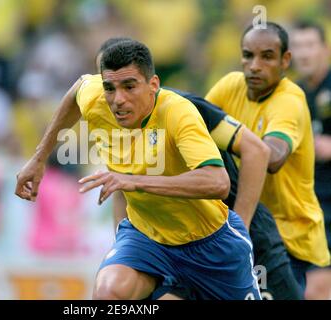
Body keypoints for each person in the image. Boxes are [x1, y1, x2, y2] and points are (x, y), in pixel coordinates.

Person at [15, 39, 261, 300]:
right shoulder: (97, 97)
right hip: (147, 238)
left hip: (211, 245)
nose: (118, 99)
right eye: (110, 88)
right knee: (109, 292)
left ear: (153, 84)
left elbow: (218, 182)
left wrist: (134, 181)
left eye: (130, 86)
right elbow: (77, 91)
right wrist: (39, 159)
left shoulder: (178, 112)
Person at [96, 37, 302, 299]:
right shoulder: (116, 119)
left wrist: (242, 227)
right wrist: (124, 245)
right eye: (105, 84)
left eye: (126, 84)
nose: (115, 96)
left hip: (232, 234)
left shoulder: (183, 108)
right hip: (174, 245)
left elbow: (257, 151)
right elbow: (122, 185)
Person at [206, 22, 331, 294]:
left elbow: (271, 157)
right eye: (248, 55)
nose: (254, 65)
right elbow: (197, 128)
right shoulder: (229, 85)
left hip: (290, 235)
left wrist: (237, 142)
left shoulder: (290, 99)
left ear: (286, 60)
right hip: (250, 228)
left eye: (267, 56)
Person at [291, 20, 331, 299]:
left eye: (310, 45)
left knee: (317, 288)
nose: (304, 53)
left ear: (325, 49)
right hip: (306, 206)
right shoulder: (292, 94)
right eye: (298, 47)